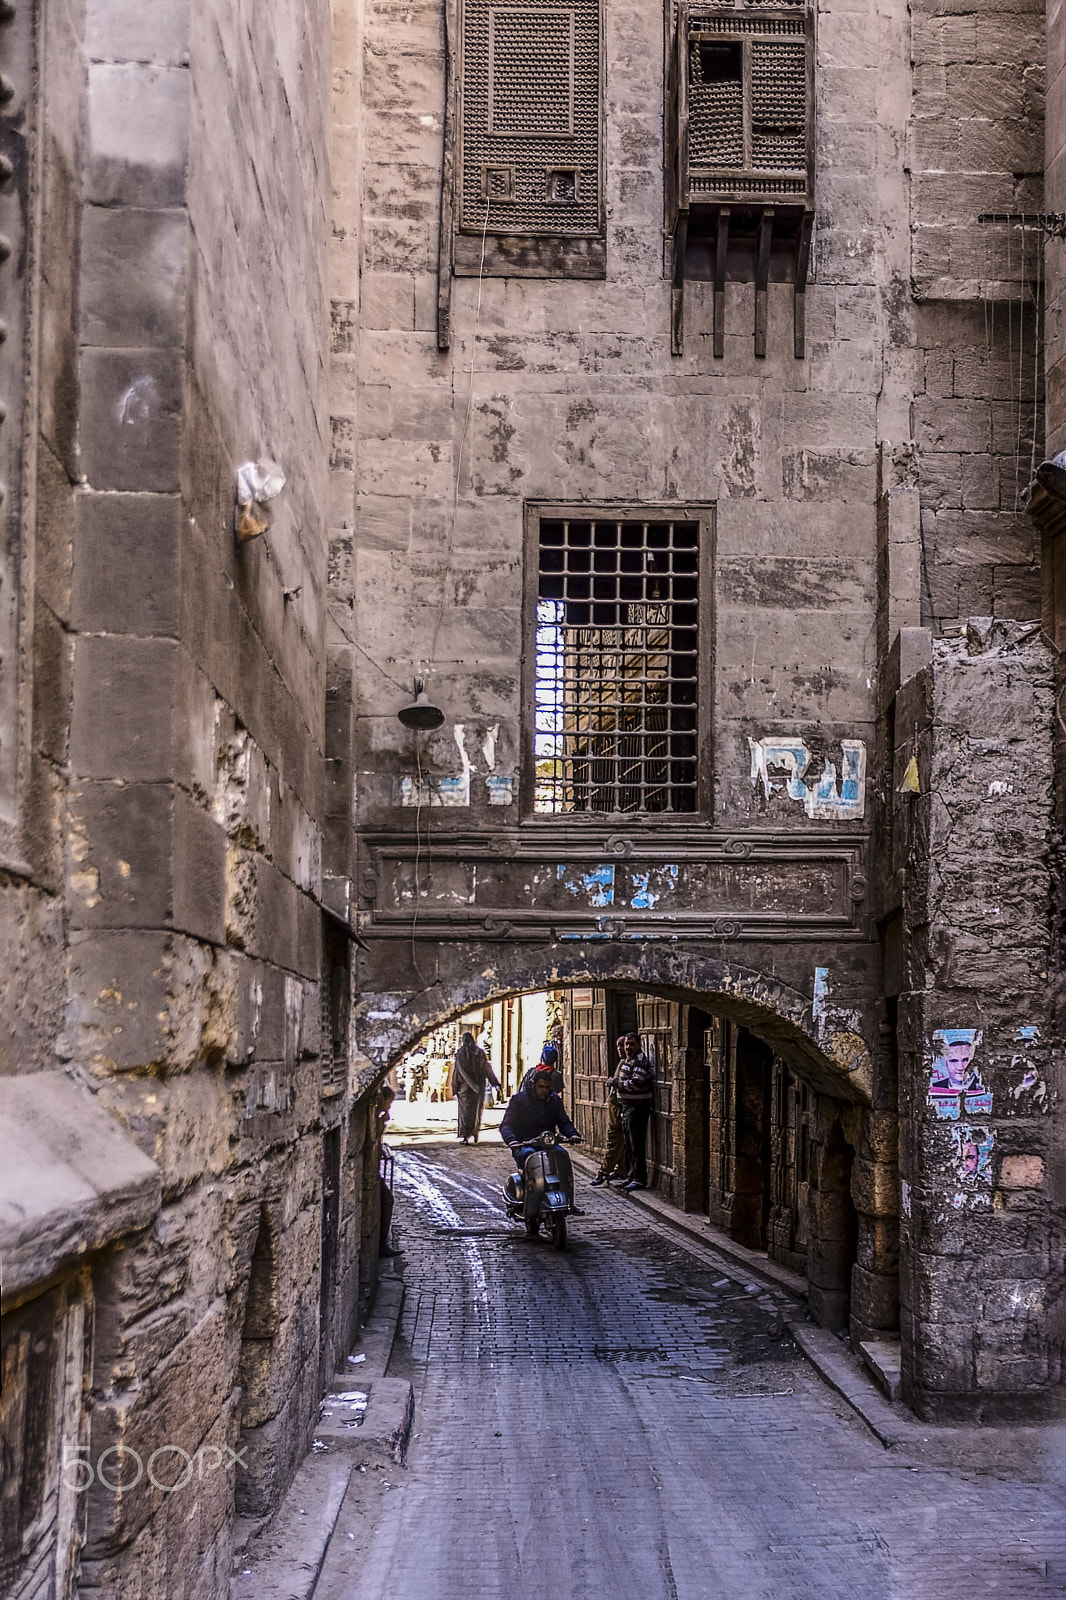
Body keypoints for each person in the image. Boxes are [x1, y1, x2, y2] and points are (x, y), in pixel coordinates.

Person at [500, 1063, 581, 1167]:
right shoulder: (519, 1100)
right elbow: (506, 1125)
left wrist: (572, 1134)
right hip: (525, 1144)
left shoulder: (554, 1100)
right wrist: (512, 1140)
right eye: (541, 1086)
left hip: (548, 1144)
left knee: (562, 1155)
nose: (544, 1090)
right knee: (528, 1155)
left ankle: (564, 1183)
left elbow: (563, 1121)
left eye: (547, 1087)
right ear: (533, 1084)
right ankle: (529, 1181)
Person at [614, 1031, 656, 1192]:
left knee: (637, 1144)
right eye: (626, 1044)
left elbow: (636, 1083)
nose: (628, 1047)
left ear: (638, 1045)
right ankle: (631, 1176)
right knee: (630, 1144)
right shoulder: (628, 1060)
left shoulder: (640, 1061)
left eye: (631, 1044)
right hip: (627, 1107)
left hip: (637, 1107)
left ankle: (639, 1179)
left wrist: (617, 1083)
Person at [589, 1035, 630, 1187]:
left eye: (623, 1045)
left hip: (620, 1106)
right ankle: (621, 1170)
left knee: (614, 1138)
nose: (620, 1048)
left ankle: (604, 1171)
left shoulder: (631, 1063)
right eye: (618, 1045)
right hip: (615, 1104)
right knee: (619, 1138)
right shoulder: (622, 1062)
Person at [452, 1032, 500, 1145]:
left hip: (466, 1088)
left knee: (466, 1113)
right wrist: (494, 1083)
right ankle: (473, 1134)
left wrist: (459, 1086)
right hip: (477, 1087)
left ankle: (466, 1136)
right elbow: (487, 1069)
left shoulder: (462, 1054)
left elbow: (461, 1072)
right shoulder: (479, 1053)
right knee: (475, 1112)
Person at [377, 1084, 399, 1257]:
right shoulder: (377, 1116)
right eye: (388, 1103)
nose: (388, 1108)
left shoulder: (380, 1115)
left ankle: (382, 1241)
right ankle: (382, 1243)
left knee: (386, 1200)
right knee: (387, 1200)